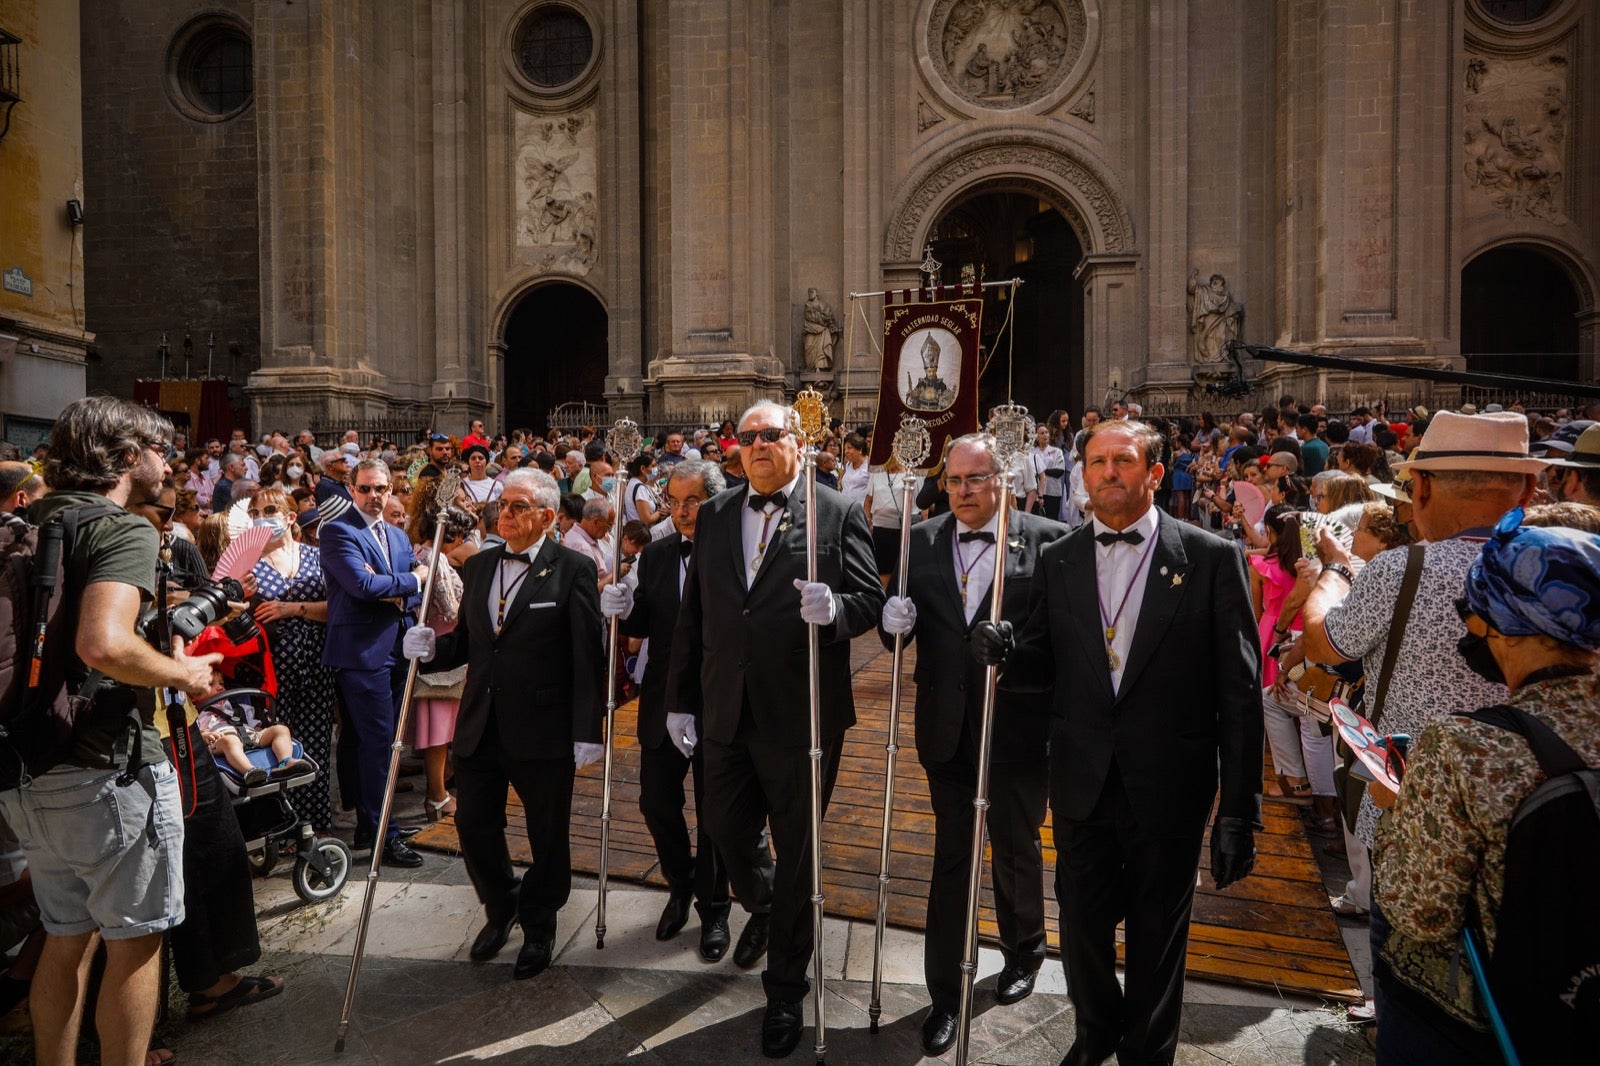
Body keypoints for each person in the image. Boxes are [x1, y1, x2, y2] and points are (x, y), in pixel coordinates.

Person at [973, 417, 1263, 1066]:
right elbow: (1043, 665)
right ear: (1080, 473)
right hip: (1080, 783)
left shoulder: (1213, 560)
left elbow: (1241, 698)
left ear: (1155, 473)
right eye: (1097, 461)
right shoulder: (1060, 558)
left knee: (1159, 941)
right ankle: (1095, 1031)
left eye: (1124, 460)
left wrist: (1241, 812)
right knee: (1080, 932)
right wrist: (1005, 653)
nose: (1108, 472)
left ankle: (1145, 1053)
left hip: (1170, 788)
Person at [0, 397, 222, 1066]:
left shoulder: (27, 518)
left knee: (66, 935)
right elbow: (103, 643)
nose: (168, 465)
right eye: (160, 452)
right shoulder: (123, 529)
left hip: (27, 767)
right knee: (135, 938)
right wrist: (182, 677)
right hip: (105, 768)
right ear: (129, 458)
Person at [666, 400, 885, 1058]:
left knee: (799, 854)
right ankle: (762, 904)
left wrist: (837, 609)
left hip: (802, 713)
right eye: (748, 437)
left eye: (771, 435)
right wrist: (679, 698)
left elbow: (870, 597)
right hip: (724, 706)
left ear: (797, 441)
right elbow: (695, 612)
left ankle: (786, 987)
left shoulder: (835, 509)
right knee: (727, 829)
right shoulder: (717, 513)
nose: (758, 445)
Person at [1372, 511, 1600, 1062]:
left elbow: (1419, 911)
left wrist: (1400, 808)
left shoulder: (1465, 746)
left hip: (1493, 1019)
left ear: (1500, 621)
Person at [879, 434, 1067, 1056]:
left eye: (975, 479)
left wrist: (1018, 651)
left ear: (1003, 479)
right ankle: (944, 996)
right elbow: (904, 627)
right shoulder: (923, 538)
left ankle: (1024, 951)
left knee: (1016, 848)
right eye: (952, 480)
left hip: (1017, 727)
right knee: (952, 858)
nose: (961, 491)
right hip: (947, 730)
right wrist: (891, 624)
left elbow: (1063, 643)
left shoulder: (1046, 540)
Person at [402, 469, 605, 980]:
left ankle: (540, 922)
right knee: (473, 827)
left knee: (547, 835)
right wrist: (428, 650)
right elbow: (471, 642)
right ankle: (502, 903)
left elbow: (588, 655)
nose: (504, 514)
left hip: (544, 728)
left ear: (546, 515)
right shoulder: (481, 564)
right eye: (501, 505)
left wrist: (587, 729)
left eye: (517, 506)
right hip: (480, 724)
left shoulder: (573, 569)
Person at [602, 460, 736, 961]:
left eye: (693, 501)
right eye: (674, 502)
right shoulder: (656, 556)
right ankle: (680, 886)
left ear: (713, 501)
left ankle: (715, 907)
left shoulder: (735, 551)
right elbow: (645, 619)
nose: (681, 512)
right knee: (656, 803)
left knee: (715, 812)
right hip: (661, 698)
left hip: (717, 698)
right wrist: (620, 607)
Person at [319, 458, 430, 869]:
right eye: (365, 488)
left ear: (390, 489)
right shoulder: (336, 531)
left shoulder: (398, 536)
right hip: (361, 654)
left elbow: (409, 590)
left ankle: (370, 824)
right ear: (351, 489)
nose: (373, 496)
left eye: (380, 488)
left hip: (398, 648)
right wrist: (412, 580)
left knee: (382, 740)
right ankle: (386, 835)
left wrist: (402, 588)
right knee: (378, 742)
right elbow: (362, 585)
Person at [246, 487, 338, 830]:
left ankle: (313, 823)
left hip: (317, 661)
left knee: (315, 740)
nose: (261, 517)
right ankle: (277, 824)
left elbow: (337, 609)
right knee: (272, 744)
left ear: (288, 517)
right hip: (269, 668)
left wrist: (291, 609)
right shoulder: (248, 565)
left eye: (269, 510)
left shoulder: (317, 558)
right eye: (255, 513)